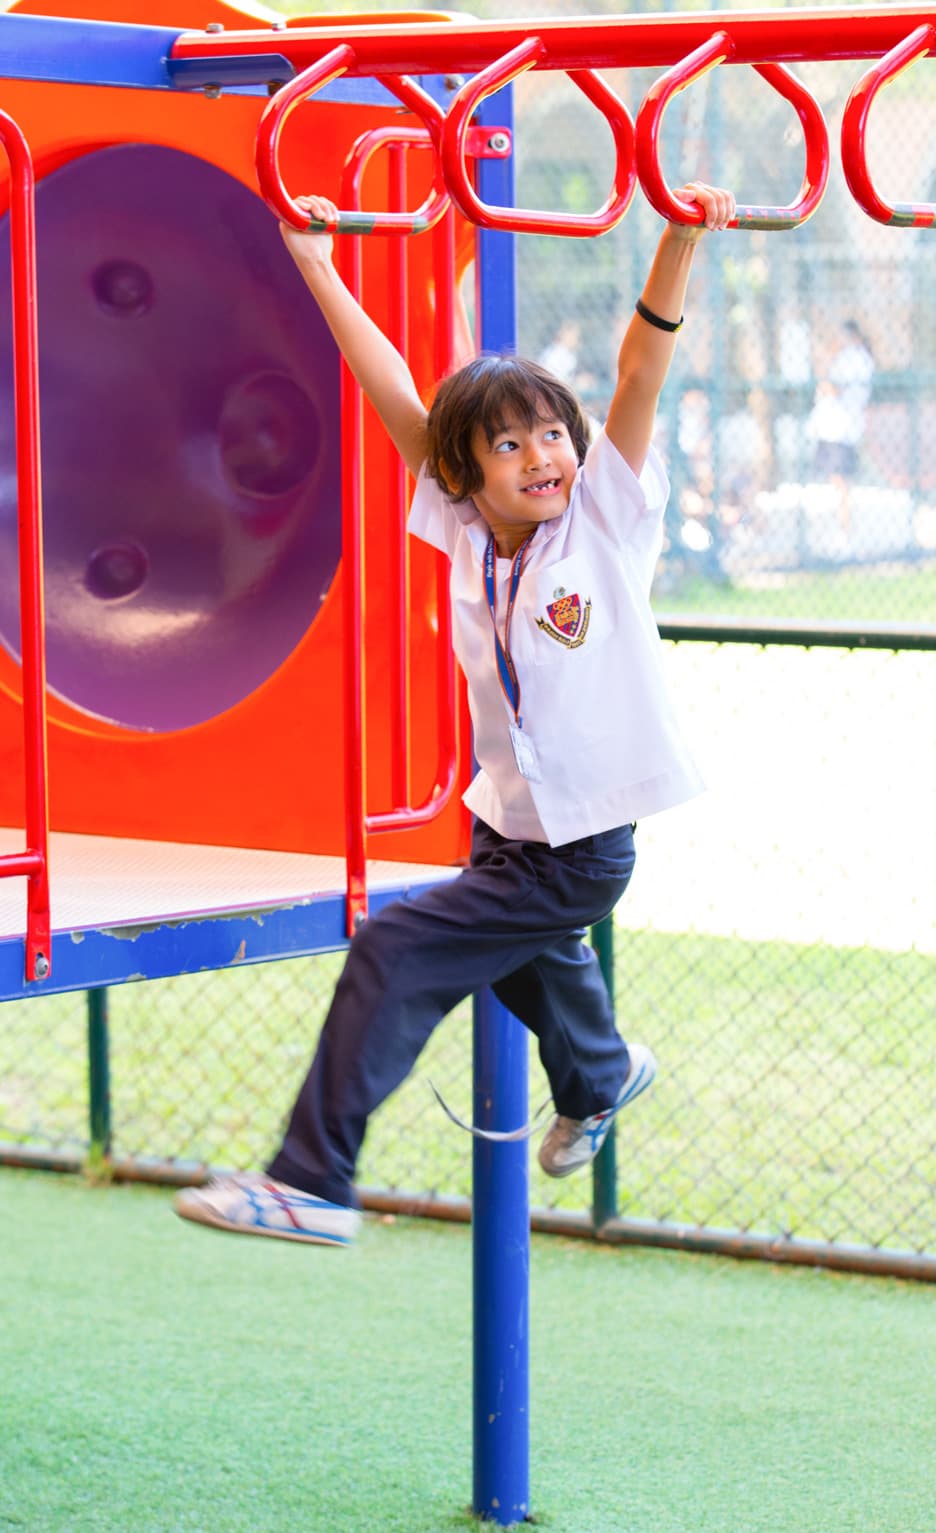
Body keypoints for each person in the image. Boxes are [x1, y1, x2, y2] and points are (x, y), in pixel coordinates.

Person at [173, 179, 736, 1247]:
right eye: (510, 446)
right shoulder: (466, 532)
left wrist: (677, 240)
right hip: (504, 827)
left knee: (394, 952)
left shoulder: (603, 527)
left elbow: (637, 372)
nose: (542, 459)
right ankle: (602, 1072)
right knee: (542, 966)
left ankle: (310, 1181)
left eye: (551, 437)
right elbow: (393, 394)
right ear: (463, 474)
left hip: (574, 848)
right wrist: (318, 267)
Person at [809, 318, 875, 536]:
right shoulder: (846, 358)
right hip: (830, 427)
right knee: (831, 480)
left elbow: (835, 388)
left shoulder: (855, 358)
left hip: (841, 428)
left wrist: (823, 366)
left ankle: (845, 530)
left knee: (841, 482)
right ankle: (837, 529)